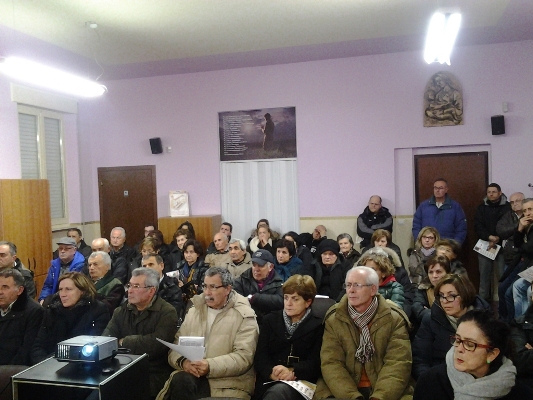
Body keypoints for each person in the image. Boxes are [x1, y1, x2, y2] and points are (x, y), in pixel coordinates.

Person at [156, 267, 259, 400]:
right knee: (180, 380)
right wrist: (184, 363)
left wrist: (209, 366)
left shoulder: (244, 315)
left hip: (228, 384)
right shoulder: (195, 310)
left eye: (213, 287)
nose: (207, 293)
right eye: (205, 286)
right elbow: (176, 345)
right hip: (193, 378)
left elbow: (244, 357)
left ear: (227, 289)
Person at [314, 266, 413, 400]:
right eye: (348, 285)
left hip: (385, 389)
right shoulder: (334, 318)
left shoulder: (394, 318)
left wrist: (379, 397)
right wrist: (352, 397)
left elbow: (398, 363)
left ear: (373, 289)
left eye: (358, 285)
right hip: (342, 390)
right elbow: (331, 363)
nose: (351, 290)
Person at [414, 310, 533, 400]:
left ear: (492, 354)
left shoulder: (519, 393)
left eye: (470, 344)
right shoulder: (430, 382)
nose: (459, 349)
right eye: (457, 340)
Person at [103, 267, 178, 398]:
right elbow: (106, 339)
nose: (130, 291)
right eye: (129, 285)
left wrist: (124, 342)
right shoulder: (121, 311)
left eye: (136, 286)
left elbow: (156, 344)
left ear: (151, 291)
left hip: (153, 371)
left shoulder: (167, 312)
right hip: (121, 367)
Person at [253, 274, 324, 400]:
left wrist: (292, 371)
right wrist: (272, 372)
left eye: (295, 299)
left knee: (279, 393)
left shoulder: (318, 325)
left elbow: (316, 362)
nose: (288, 304)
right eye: (286, 298)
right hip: (270, 380)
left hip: (302, 382)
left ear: (308, 302)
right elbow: (260, 356)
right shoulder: (270, 320)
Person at [412, 274, 491, 380]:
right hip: (441, 378)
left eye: (451, 296)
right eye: (441, 296)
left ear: (465, 294)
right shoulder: (430, 319)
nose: (444, 301)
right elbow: (420, 360)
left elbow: (492, 357)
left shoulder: (485, 318)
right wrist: (431, 382)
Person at [31, 272, 110, 364]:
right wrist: (45, 365)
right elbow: (38, 345)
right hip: (49, 364)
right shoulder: (52, 310)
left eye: (68, 289)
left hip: (82, 366)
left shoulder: (98, 310)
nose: (63, 294)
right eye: (60, 289)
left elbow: (93, 346)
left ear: (82, 291)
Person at [474, 183, 511, 301]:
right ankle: (482, 303)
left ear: (500, 193)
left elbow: (509, 225)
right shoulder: (481, 207)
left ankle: (503, 303)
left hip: (502, 245)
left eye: (494, 192)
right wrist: (489, 237)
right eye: (489, 192)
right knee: (484, 276)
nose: (491, 194)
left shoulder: (508, 207)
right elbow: (478, 225)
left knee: (502, 276)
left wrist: (498, 237)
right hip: (485, 244)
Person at [0, 268, 43, 366]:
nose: (0, 292)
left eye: (5, 287)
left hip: (13, 369)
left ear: (19, 290)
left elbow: (26, 351)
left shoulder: (34, 312)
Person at [234, 250, 283, 324]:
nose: (256, 269)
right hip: (246, 322)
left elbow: (280, 301)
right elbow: (236, 301)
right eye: (254, 265)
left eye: (260, 265)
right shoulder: (242, 280)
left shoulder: (279, 283)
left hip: (270, 325)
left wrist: (255, 298)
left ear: (271, 267)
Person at [412, 178, 467, 244]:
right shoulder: (423, 206)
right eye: (435, 188)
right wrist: (420, 242)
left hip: (446, 246)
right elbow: (416, 226)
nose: (437, 190)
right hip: (427, 246)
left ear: (446, 189)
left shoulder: (455, 206)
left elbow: (461, 228)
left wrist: (455, 244)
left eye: (441, 188)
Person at [38, 237, 86, 304]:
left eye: (66, 249)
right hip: (55, 300)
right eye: (60, 248)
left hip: (73, 301)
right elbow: (48, 285)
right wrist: (43, 299)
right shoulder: (54, 265)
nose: (62, 251)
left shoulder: (81, 265)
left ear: (74, 250)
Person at [411, 255, 451, 326]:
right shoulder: (423, 288)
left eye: (438, 272)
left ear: (447, 273)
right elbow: (417, 308)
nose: (434, 276)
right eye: (431, 272)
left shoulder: (456, 288)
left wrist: (430, 311)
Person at [142, 253, 184, 318]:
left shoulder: (173, 289)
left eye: (151, 264)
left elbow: (171, 315)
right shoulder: (139, 288)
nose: (147, 268)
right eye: (144, 266)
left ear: (161, 266)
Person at [175, 239, 208, 303]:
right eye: (186, 252)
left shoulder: (204, 268)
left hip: (198, 300)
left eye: (191, 252)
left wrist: (188, 288)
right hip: (181, 299)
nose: (188, 255)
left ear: (198, 254)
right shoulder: (179, 266)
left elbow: (204, 288)